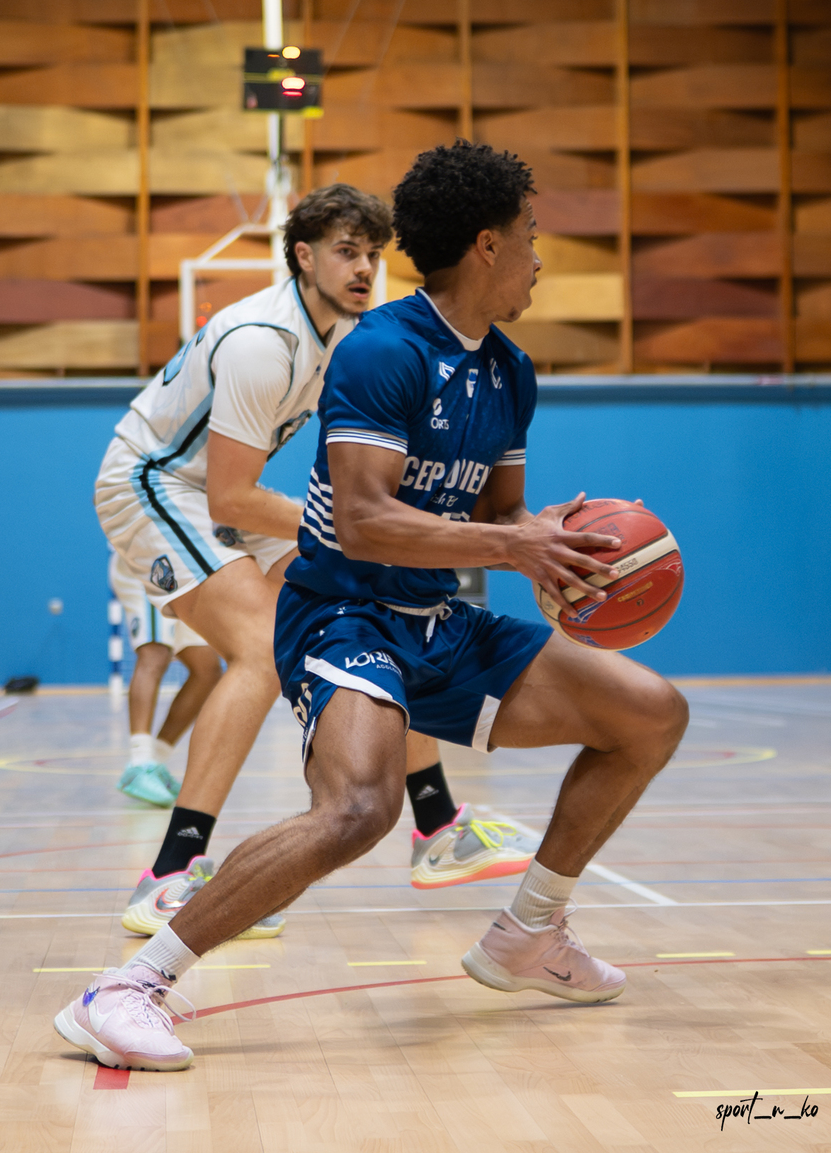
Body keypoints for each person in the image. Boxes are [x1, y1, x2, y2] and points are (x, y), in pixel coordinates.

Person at [54, 142, 688, 1072]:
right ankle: (127, 989)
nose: (539, 257)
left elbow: (498, 517)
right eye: (529, 236)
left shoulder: (510, 371)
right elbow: (360, 521)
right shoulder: (384, 350)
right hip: (343, 615)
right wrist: (511, 546)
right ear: (486, 245)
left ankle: (529, 932)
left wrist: (551, 547)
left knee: (650, 714)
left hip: (436, 619)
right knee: (358, 807)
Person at [93, 184, 537, 941]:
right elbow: (231, 496)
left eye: (373, 254)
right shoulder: (263, 342)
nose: (364, 268)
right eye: (345, 252)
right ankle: (171, 871)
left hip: (218, 494)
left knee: (378, 600)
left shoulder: (353, 335)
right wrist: (351, 526)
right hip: (154, 483)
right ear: (303, 255)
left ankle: (436, 825)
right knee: (259, 648)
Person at [109, 552, 223, 807]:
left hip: (187, 570)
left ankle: (156, 761)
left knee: (207, 670)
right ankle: (140, 763)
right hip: (150, 559)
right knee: (155, 653)